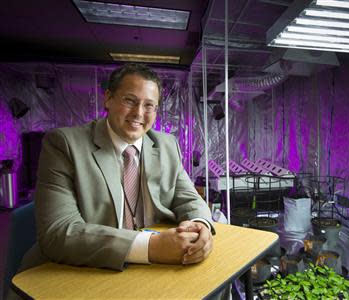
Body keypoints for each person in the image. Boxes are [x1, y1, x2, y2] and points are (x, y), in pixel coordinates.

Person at [21, 63, 215, 272]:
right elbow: (58, 233)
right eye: (130, 100)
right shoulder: (64, 144)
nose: (139, 113)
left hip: (150, 270)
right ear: (108, 99)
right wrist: (151, 246)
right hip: (83, 269)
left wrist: (200, 224)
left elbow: (189, 197)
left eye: (149, 105)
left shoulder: (167, 145)